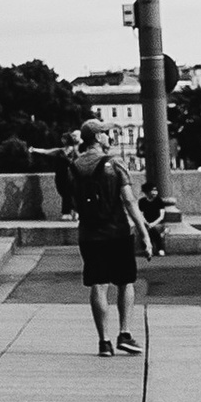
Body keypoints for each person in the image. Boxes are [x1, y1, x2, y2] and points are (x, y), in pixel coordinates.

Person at [54, 114, 153, 354]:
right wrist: (145, 234)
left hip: (89, 235)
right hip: (117, 232)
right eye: (106, 133)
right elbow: (130, 202)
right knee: (125, 282)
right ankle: (125, 334)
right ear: (98, 137)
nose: (109, 136)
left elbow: (73, 201)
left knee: (98, 286)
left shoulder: (73, 167)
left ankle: (104, 342)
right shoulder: (115, 163)